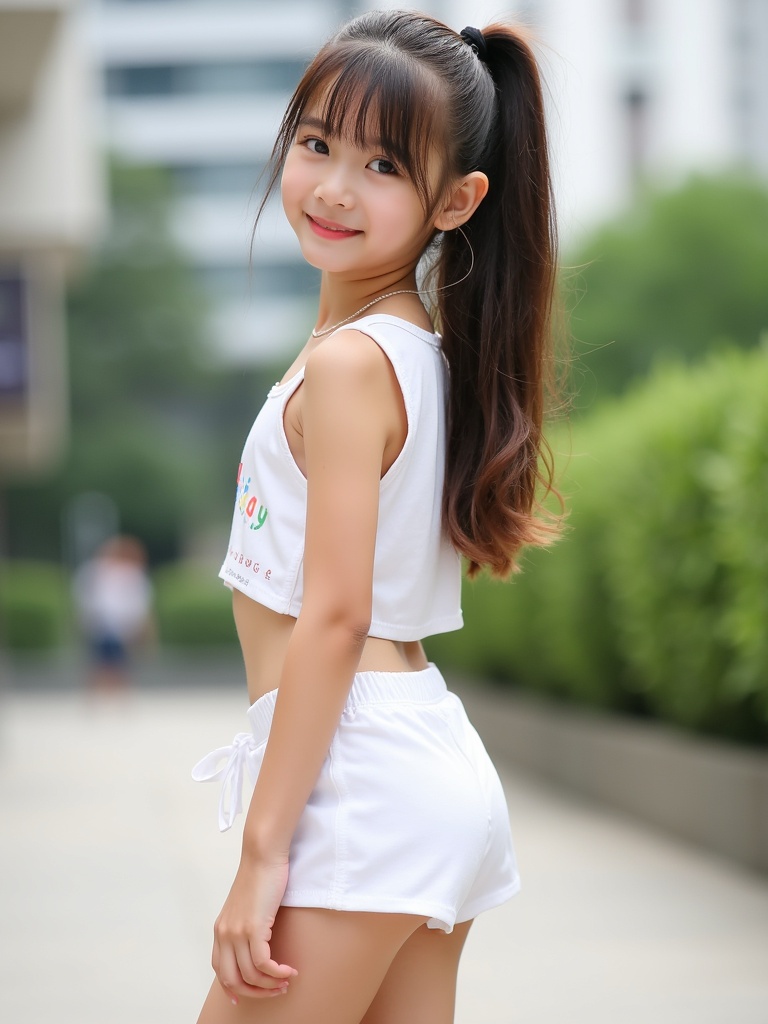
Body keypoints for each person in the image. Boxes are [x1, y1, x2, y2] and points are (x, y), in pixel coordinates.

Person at [192, 10, 560, 1022]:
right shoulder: (416, 352)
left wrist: (263, 853)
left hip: (364, 783)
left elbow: (338, 614)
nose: (336, 186)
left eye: (385, 164)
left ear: (456, 200)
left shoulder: (354, 364)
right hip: (421, 758)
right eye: (317, 143)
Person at [72, 534, 154, 692]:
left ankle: (115, 696)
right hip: (103, 625)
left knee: (117, 664)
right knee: (103, 664)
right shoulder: (96, 571)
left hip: (119, 627)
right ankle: (103, 696)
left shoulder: (129, 574)